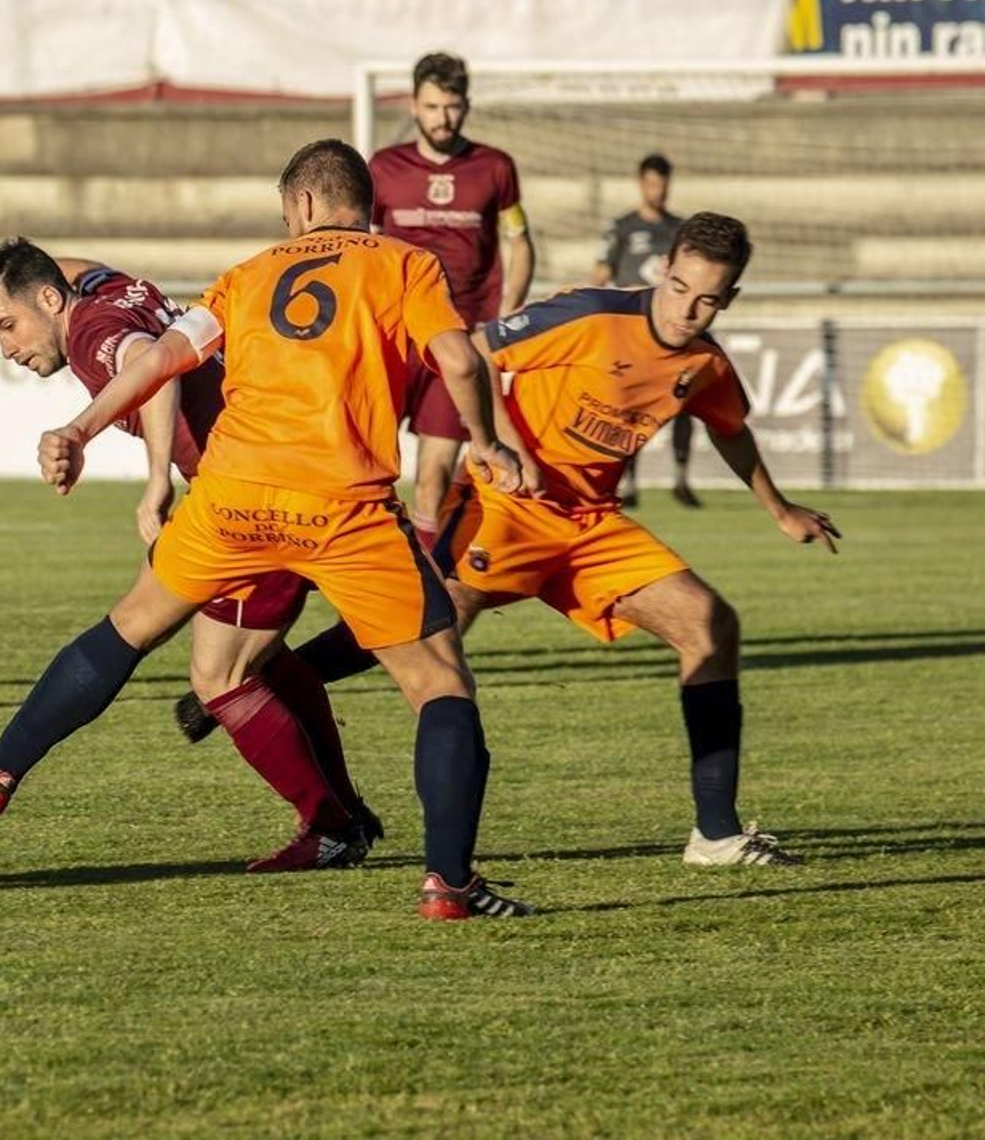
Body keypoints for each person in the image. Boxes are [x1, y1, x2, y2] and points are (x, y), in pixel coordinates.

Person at [0, 139, 536, 921]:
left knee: (129, 631)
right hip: (338, 500)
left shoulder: (247, 274)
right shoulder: (405, 263)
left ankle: (1, 772)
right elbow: (462, 361)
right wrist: (486, 442)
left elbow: (156, 362)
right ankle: (446, 882)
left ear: (302, 206)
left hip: (232, 494)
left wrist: (79, 431)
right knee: (438, 683)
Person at [292, 213, 840, 867]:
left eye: (708, 300)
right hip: (507, 506)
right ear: (663, 269)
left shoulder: (705, 365)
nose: (687, 310)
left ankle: (716, 836)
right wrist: (507, 446)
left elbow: (730, 429)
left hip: (591, 526)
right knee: (428, 624)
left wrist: (779, 509)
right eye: (680, 288)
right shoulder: (592, 314)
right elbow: (476, 351)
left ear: (730, 299)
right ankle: (278, 682)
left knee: (710, 625)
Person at [0, 238, 380, 871]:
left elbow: (150, 363)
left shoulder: (92, 332)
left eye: (7, 326)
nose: (7, 348)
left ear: (50, 300)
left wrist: (155, 483)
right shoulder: (105, 287)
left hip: (259, 496)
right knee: (251, 658)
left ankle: (334, 827)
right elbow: (71, 271)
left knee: (215, 673)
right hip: (277, 470)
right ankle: (343, 816)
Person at [368, 52, 534, 552]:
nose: (443, 118)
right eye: (432, 106)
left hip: (457, 341)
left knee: (435, 471)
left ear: (467, 105)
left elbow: (520, 242)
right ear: (413, 106)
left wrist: (505, 315)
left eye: (452, 106)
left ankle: (428, 571)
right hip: (395, 339)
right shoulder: (384, 168)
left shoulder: (495, 168)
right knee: (368, 462)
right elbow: (364, 248)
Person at [591, 153, 698, 508]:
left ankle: (681, 480)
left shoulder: (680, 229)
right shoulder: (621, 227)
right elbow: (601, 272)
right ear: (641, 184)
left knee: (685, 403)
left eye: (663, 184)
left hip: (672, 332)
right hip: (632, 331)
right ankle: (629, 483)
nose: (658, 190)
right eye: (652, 183)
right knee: (628, 407)